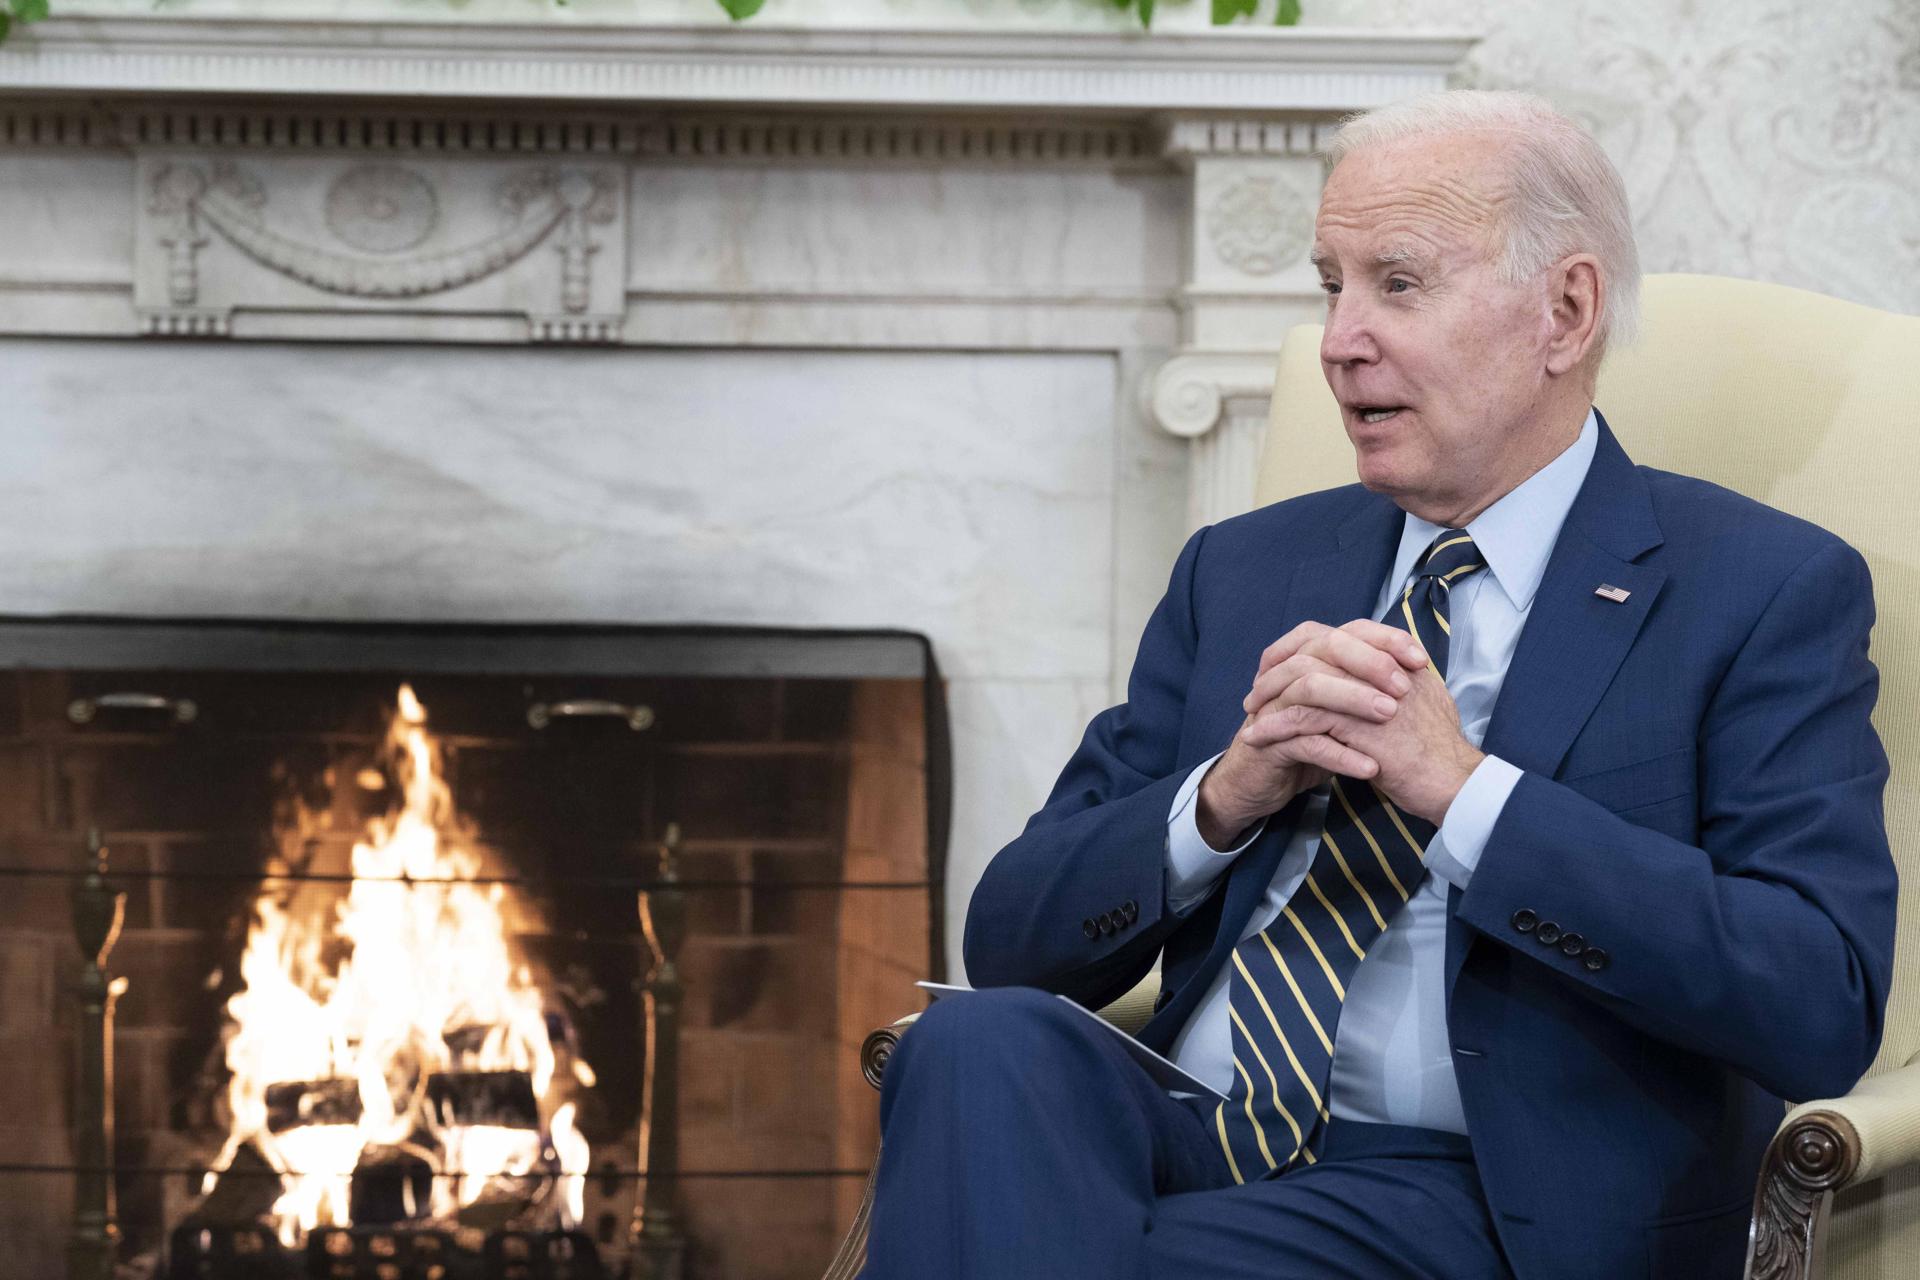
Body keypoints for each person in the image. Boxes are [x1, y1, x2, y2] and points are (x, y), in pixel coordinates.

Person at [861, 90, 1898, 1280]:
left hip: (1486, 1186)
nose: (1341, 339)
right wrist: (1223, 793)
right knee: (977, 1045)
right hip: (1192, 1129)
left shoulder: (1757, 587)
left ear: (1566, 311)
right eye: (1330, 284)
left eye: (1398, 284)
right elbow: (1012, 940)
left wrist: (1467, 794)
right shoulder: (1248, 567)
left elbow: (1817, 999)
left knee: (1036, 1242)